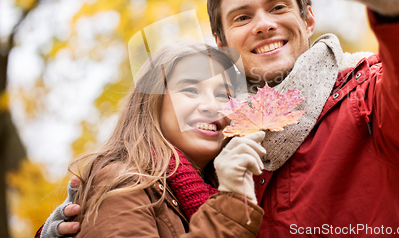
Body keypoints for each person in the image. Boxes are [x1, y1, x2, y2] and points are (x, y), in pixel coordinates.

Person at [40, 0, 399, 238]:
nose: (264, 24)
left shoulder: (370, 96)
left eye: (277, 7)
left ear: (308, 18)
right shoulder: (209, 141)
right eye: (242, 16)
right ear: (220, 40)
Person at [37, 43, 266, 238]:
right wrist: (229, 210)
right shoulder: (124, 182)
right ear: (153, 103)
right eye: (190, 90)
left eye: (223, 95)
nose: (212, 106)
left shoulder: (230, 187)